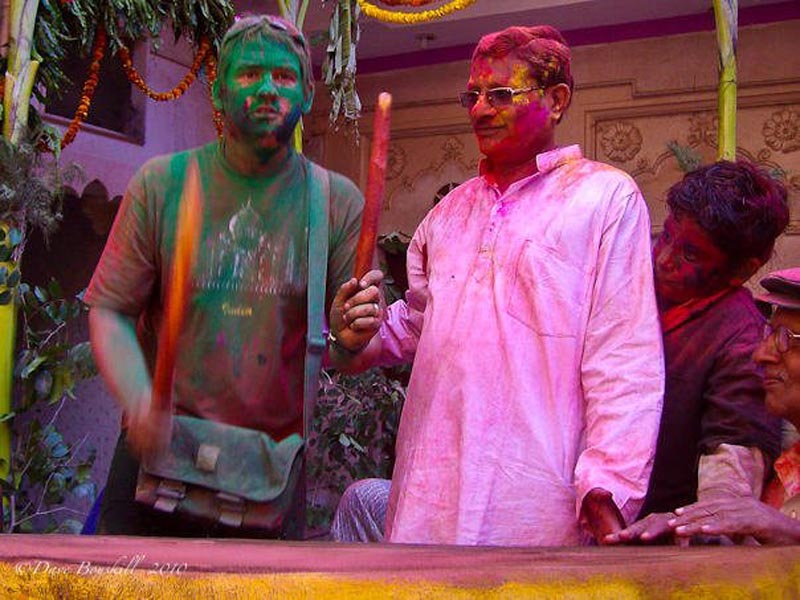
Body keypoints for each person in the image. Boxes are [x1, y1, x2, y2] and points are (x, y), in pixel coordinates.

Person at [327, 25, 664, 546]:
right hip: (427, 497)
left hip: (535, 506)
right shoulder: (448, 215)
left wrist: (607, 491)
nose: (480, 109)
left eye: (501, 94)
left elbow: (624, 359)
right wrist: (353, 333)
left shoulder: (604, 199)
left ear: (555, 101)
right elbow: (413, 325)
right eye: (473, 95)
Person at [86, 15, 364, 537]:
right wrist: (138, 397)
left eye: (283, 78)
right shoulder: (163, 183)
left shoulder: (334, 202)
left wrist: (351, 337)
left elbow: (346, 352)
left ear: (307, 93)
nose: (266, 89)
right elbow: (110, 310)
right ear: (216, 92)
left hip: (271, 475)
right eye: (248, 74)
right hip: (154, 466)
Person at [605, 161, 789, 544]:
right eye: (665, 236)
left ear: (741, 269)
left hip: (656, 547)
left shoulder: (743, 342)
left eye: (691, 255)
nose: (664, 259)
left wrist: (697, 519)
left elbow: (731, 467)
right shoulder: (629, 289)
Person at [619, 268, 800, 545]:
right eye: (769, 335)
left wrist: (780, 527)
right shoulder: (789, 469)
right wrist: (686, 528)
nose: (760, 354)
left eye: (785, 339)